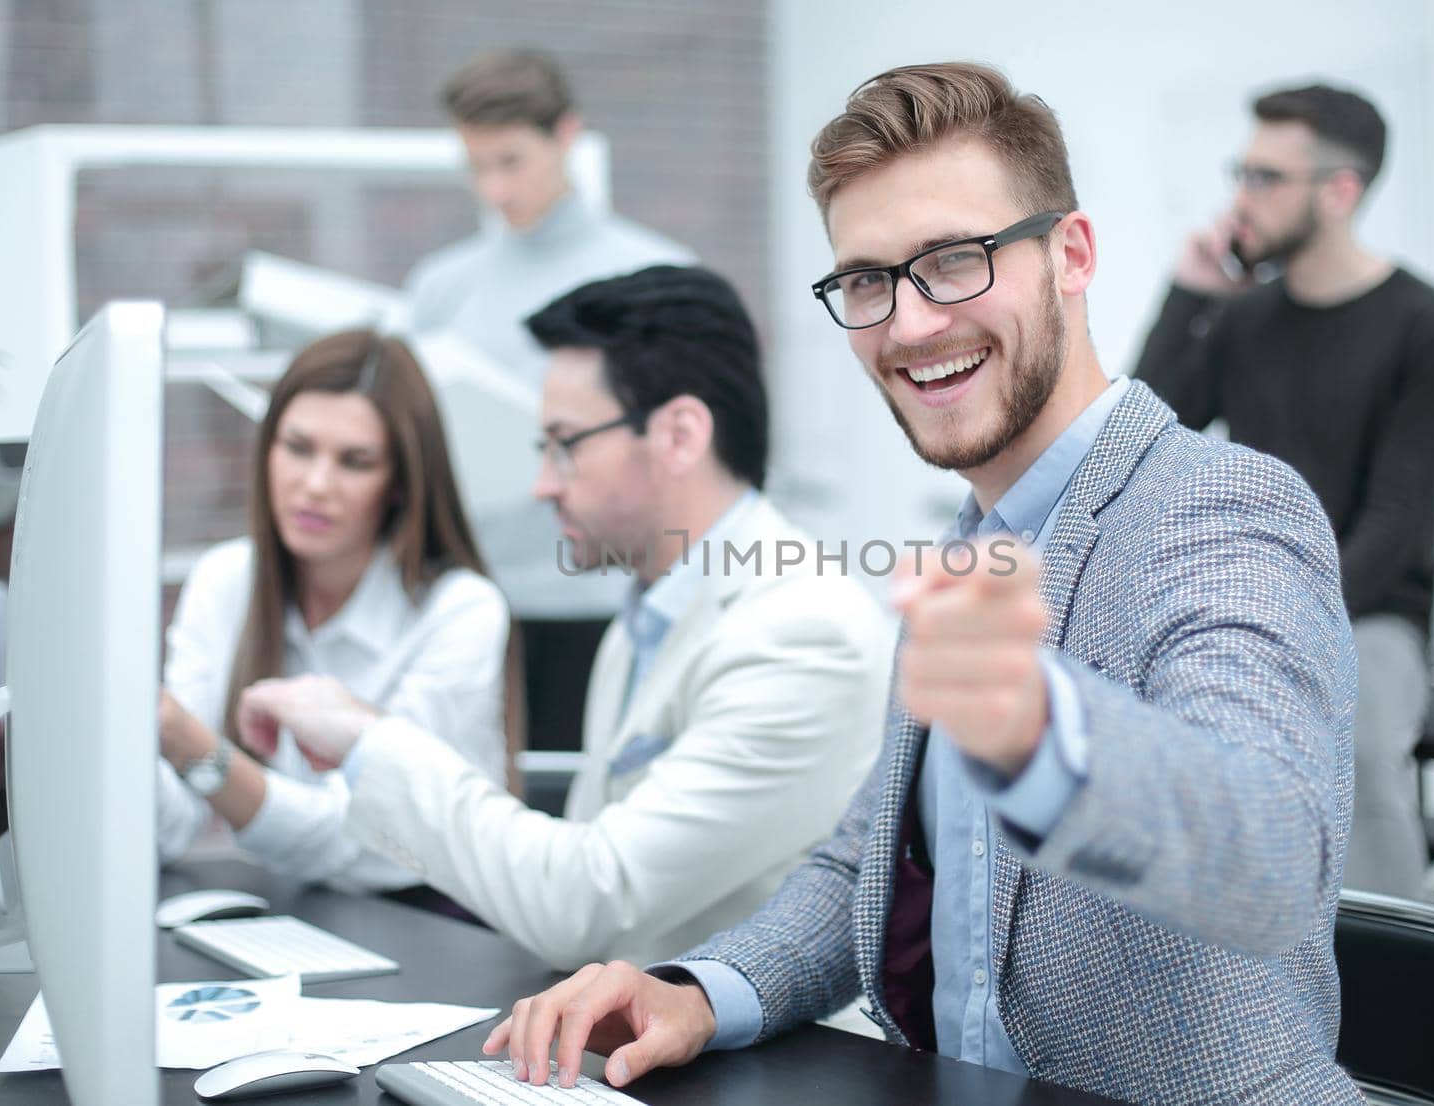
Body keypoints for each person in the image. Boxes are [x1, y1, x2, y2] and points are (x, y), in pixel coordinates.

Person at [473, 63, 1363, 1105]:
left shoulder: (1218, 507)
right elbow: (867, 864)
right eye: (866, 280)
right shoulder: (972, 539)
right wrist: (704, 992)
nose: (906, 325)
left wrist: (1043, 734)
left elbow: (1267, 857)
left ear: (1068, 254)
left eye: (953, 259)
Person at [235, 266, 891, 971]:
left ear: (678, 435)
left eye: (565, 444)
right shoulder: (648, 616)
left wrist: (367, 738)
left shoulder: (799, 634)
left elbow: (584, 905)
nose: (544, 485)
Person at [1134, 82, 1434, 899]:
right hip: (1248, 599)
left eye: (1265, 178)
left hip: (1373, 609)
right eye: (1242, 172)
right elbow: (1139, 440)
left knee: (1351, 740)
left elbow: (1397, 518)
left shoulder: (1427, 324)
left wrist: (1291, 623)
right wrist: (1190, 293)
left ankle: (1405, 989)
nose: (1241, 198)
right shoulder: (1244, 320)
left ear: (1340, 192)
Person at [156, 331, 510, 893]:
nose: (315, 485)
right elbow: (170, 826)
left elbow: (353, 836)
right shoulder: (227, 579)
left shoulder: (459, 611)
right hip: (296, 908)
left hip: (435, 918)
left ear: (399, 483)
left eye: (355, 462)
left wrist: (187, 741)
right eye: (297, 448)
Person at [407, 47, 695, 623]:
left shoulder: (657, 278)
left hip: (610, 599)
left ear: (566, 136)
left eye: (510, 162)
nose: (494, 190)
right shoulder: (439, 287)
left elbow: (692, 450)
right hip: (471, 598)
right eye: (476, 166)